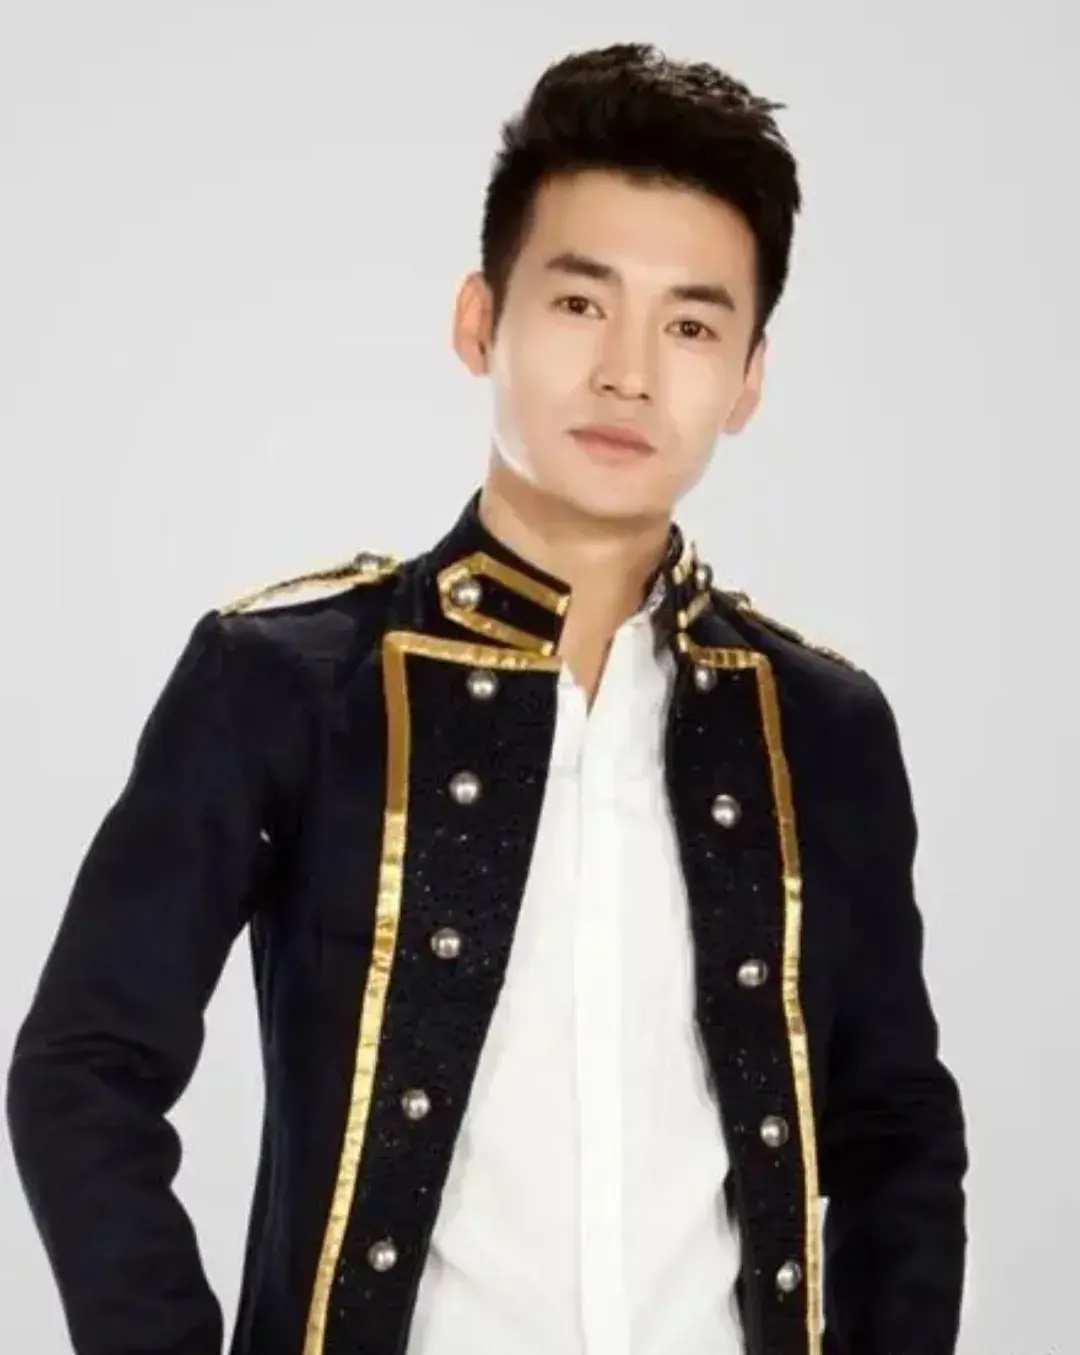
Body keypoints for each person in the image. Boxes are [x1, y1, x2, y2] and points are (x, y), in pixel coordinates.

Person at [6, 40, 968, 1355]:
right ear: (480, 320)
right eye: (580, 303)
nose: (629, 371)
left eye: (692, 325)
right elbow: (84, 1072)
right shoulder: (292, 682)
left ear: (749, 377)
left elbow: (895, 1126)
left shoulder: (819, 727)